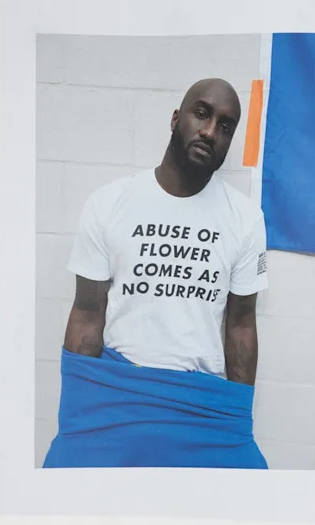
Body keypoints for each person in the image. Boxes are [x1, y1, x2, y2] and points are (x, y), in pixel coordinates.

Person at [43, 78, 269, 469]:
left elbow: (241, 325)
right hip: (118, 394)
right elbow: (87, 313)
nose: (211, 131)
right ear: (175, 119)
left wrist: (236, 421)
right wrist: (79, 417)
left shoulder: (246, 219)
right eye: (202, 114)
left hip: (201, 405)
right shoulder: (110, 203)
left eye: (227, 126)